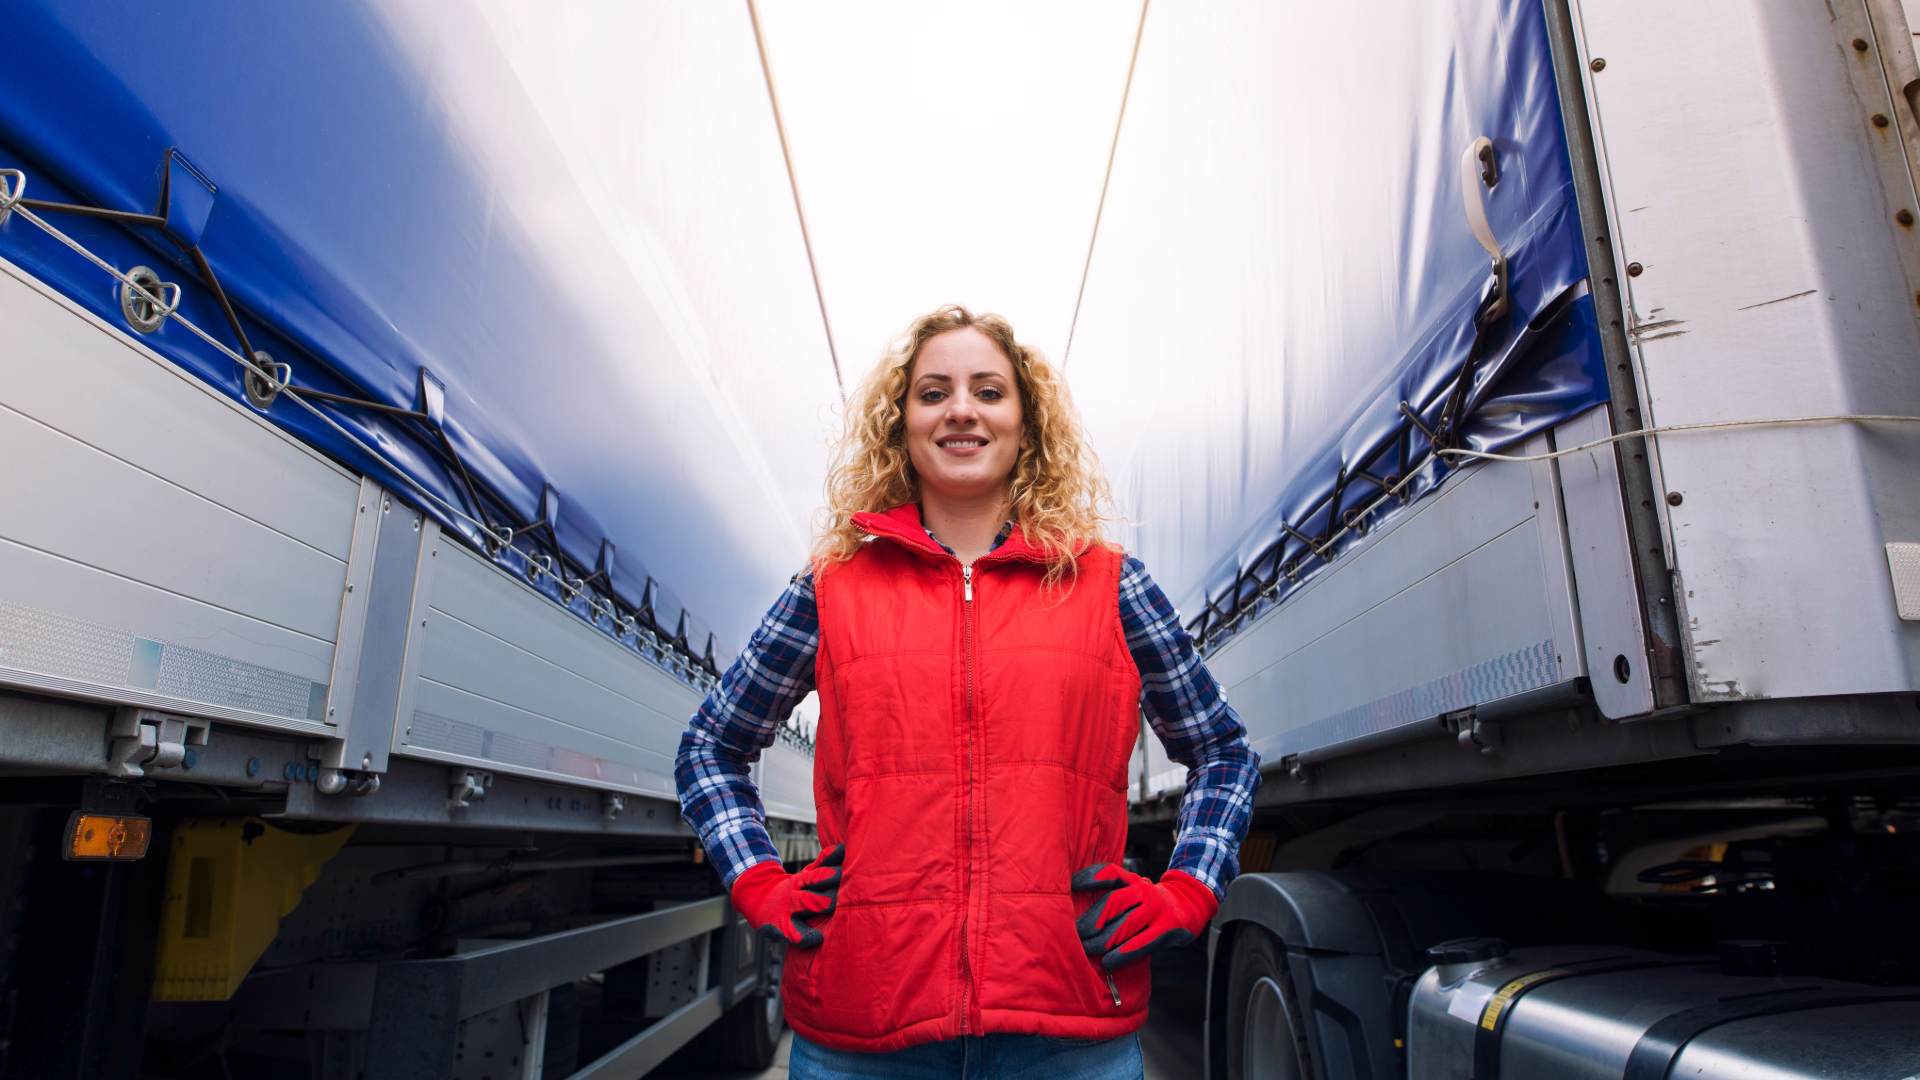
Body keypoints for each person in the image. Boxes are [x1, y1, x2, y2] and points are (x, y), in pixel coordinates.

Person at [675, 305, 1260, 1079]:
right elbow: (710, 748)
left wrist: (1187, 889)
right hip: (864, 1033)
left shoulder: (1108, 583)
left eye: (988, 391)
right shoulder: (832, 586)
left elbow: (1223, 749)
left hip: (1069, 1030)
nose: (961, 410)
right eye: (933, 392)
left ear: (1027, 423)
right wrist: (757, 879)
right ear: (902, 423)